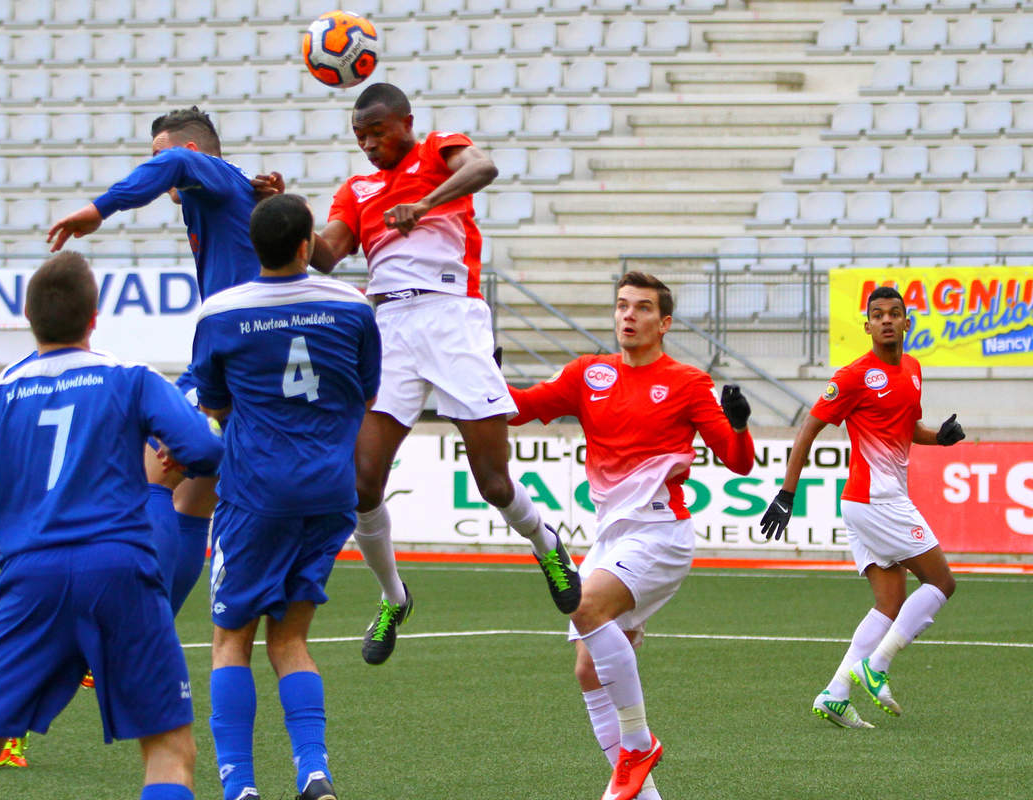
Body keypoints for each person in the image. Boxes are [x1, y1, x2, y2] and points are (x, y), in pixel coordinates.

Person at [0, 252, 223, 800]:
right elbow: (201, 446)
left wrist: (7, 524)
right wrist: (183, 458)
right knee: (169, 747)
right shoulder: (129, 378)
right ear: (94, 317)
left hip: (31, 574)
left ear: (30, 319)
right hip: (119, 567)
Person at [310, 82, 580, 665]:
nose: (368, 144)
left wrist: (426, 204)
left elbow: (485, 166)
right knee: (360, 486)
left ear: (405, 122)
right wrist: (275, 211)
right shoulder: (355, 191)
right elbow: (324, 254)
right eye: (360, 137)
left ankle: (545, 543)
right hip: (390, 327)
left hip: (452, 317)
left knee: (493, 483)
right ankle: (393, 596)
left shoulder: (438, 149)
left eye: (377, 132)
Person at [508, 272, 756, 800]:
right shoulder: (588, 374)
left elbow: (738, 462)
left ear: (663, 323)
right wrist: (482, 379)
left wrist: (738, 425)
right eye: (622, 306)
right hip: (611, 537)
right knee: (587, 670)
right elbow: (522, 408)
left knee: (583, 604)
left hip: (662, 532)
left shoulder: (687, 383)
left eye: (642, 308)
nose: (628, 316)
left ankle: (638, 744)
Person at [46, 106, 285, 622]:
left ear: (191, 153)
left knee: (152, 475)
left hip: (229, 359)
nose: (155, 167)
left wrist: (99, 208)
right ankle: (153, 628)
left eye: (159, 154)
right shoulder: (239, 190)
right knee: (192, 500)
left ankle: (135, 628)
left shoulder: (214, 175)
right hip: (247, 360)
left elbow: (173, 163)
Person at [190, 194, 382, 800]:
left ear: (254, 246)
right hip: (330, 492)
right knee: (292, 638)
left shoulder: (220, 313)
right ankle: (314, 771)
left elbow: (213, 404)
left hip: (255, 495)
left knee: (232, 640)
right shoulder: (352, 306)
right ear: (307, 248)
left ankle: (240, 788)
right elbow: (366, 390)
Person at [761, 285, 964, 730]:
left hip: (870, 502)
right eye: (878, 314)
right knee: (942, 582)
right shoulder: (854, 376)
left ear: (907, 323)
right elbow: (808, 429)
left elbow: (908, 429)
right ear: (867, 325)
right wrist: (787, 492)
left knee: (888, 605)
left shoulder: (911, 369)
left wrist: (940, 438)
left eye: (895, 313)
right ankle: (877, 665)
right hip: (876, 499)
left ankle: (835, 693)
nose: (887, 320)